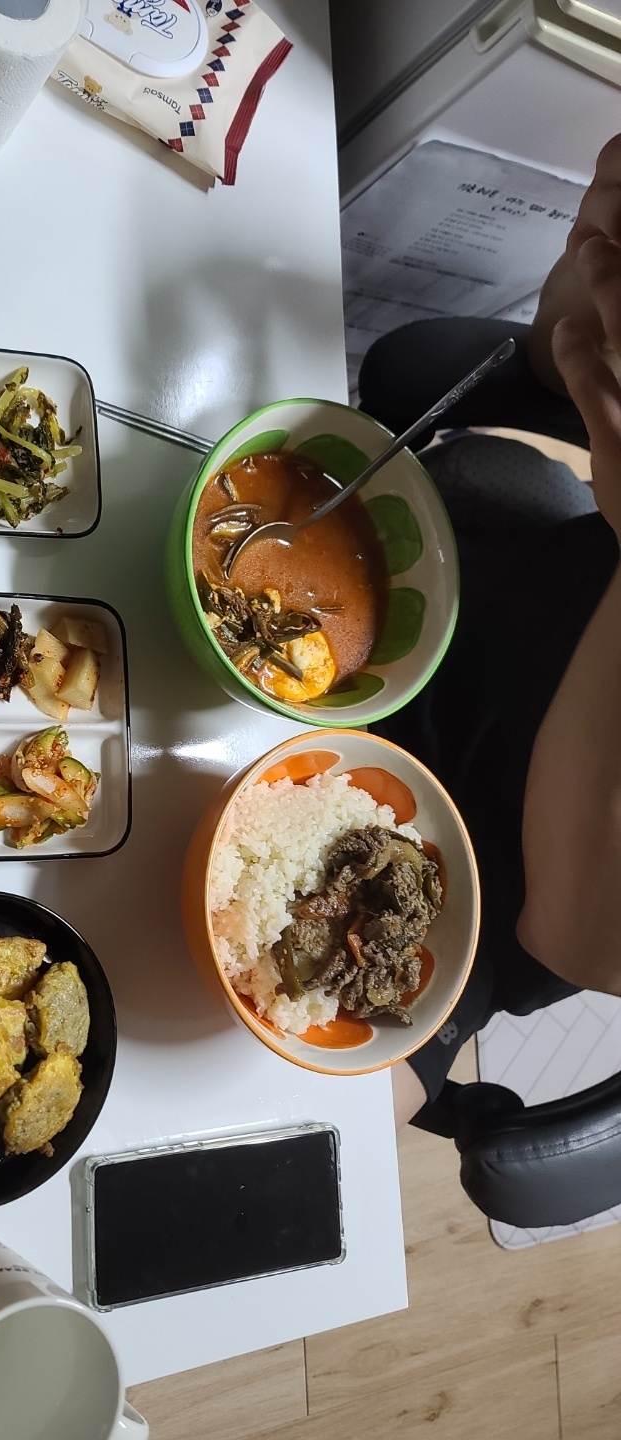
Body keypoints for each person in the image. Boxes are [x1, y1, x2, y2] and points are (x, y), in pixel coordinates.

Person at [377, 134, 621, 1125]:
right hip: (449, 611)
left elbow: (579, 934)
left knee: (320, 1120)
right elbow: (557, 354)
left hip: (477, 876)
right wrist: (599, 250)